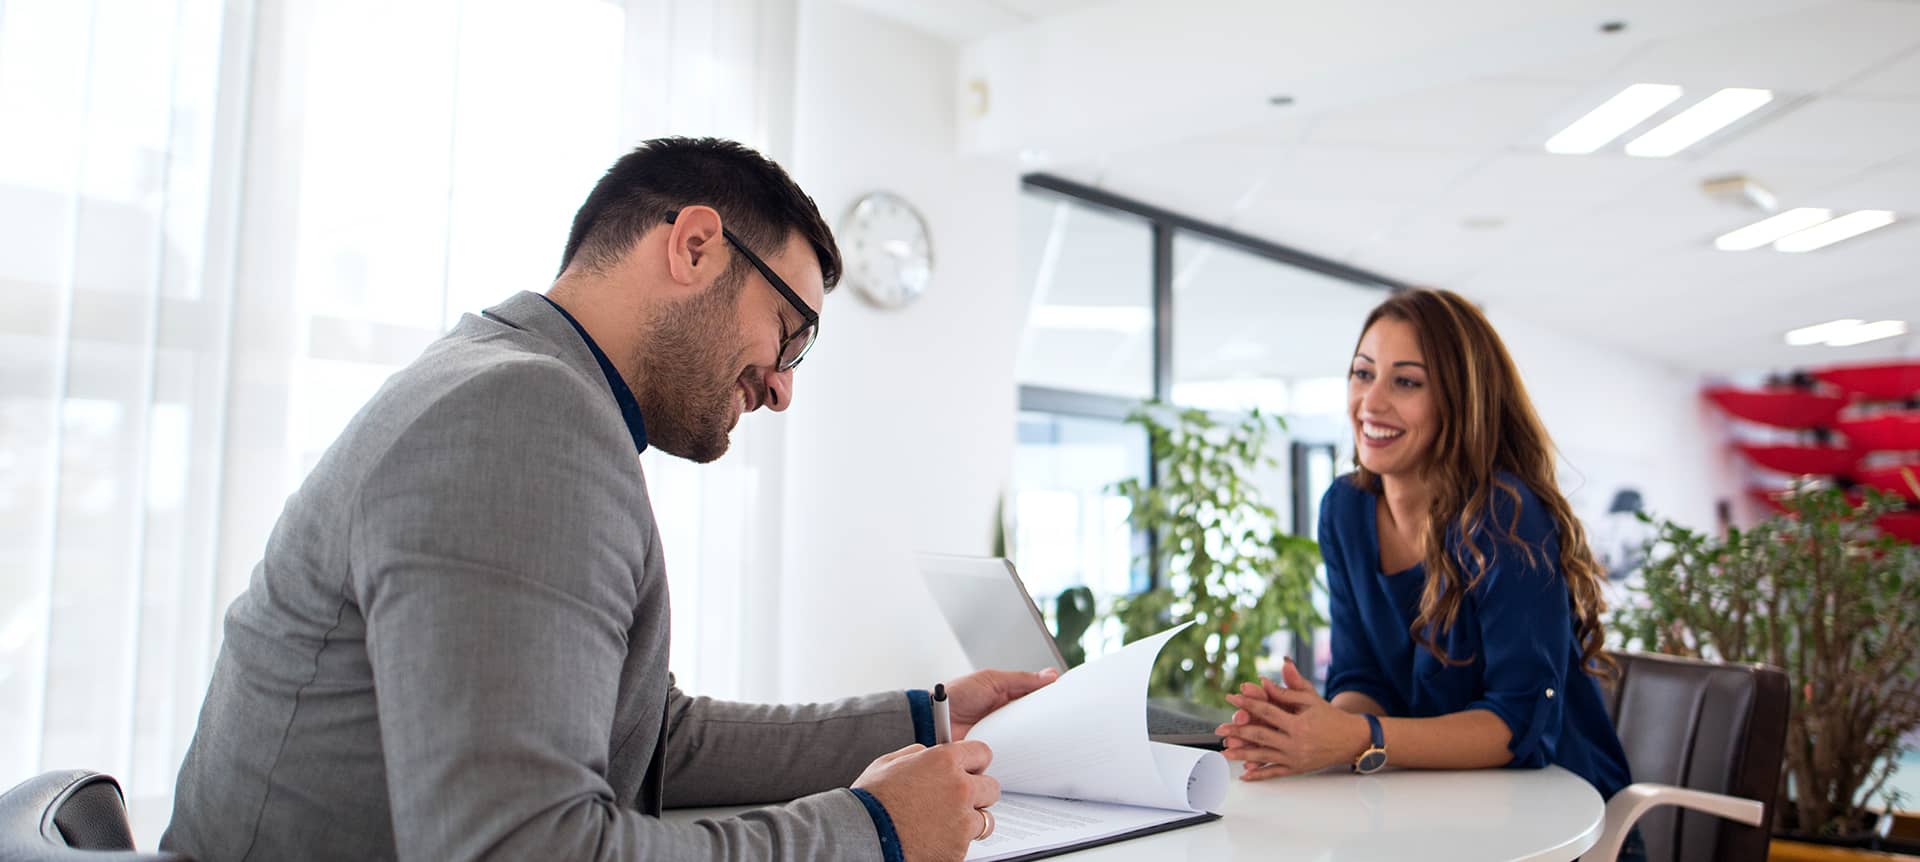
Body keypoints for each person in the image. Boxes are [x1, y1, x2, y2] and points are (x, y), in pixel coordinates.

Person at [163, 137, 1052, 862]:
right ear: (694, 245)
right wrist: (875, 834)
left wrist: (930, 718)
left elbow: (653, 737)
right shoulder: (519, 414)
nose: (782, 389)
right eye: (789, 335)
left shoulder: (508, 385)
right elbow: (521, 847)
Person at [1214, 289, 1639, 855]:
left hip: (1560, 825)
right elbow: (1362, 678)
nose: (1371, 401)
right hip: (1429, 807)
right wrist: (1313, 733)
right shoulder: (1345, 509)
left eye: (1406, 382)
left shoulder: (1504, 515)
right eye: (1362, 373)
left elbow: (1519, 726)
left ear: (1458, 401)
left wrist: (1356, 739)